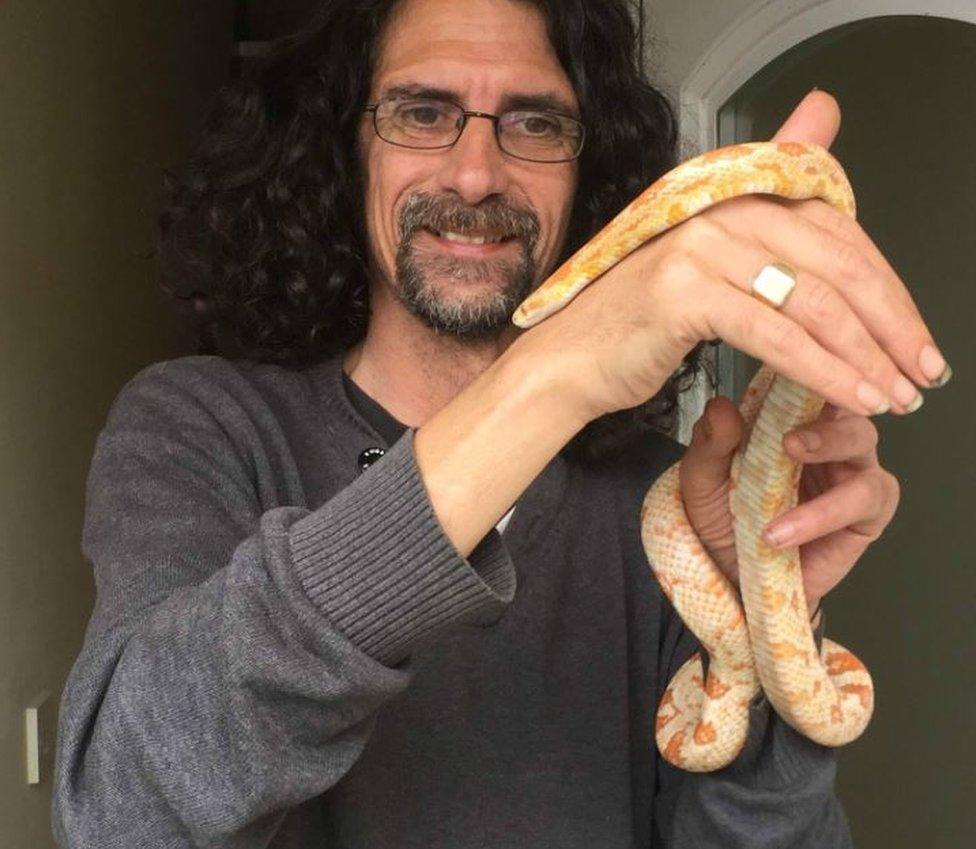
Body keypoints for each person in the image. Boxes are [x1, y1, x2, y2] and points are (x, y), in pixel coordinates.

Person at [52, 0, 948, 847]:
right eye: (421, 111)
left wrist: (758, 616)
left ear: (587, 170)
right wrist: (551, 374)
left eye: (534, 123)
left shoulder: (671, 505)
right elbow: (121, 810)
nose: (476, 175)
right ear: (344, 149)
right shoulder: (197, 426)